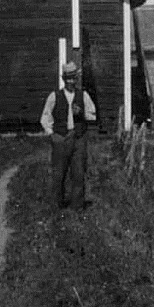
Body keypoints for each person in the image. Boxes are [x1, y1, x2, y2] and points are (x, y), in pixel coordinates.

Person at [40, 61, 96, 210]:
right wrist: (52, 134)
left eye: (73, 78)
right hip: (61, 137)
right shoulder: (54, 96)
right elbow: (45, 118)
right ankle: (56, 205)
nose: (71, 81)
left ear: (77, 78)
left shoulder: (83, 95)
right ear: (63, 79)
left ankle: (77, 207)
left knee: (78, 172)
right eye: (68, 78)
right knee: (59, 173)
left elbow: (93, 115)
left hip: (79, 137)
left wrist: (82, 114)